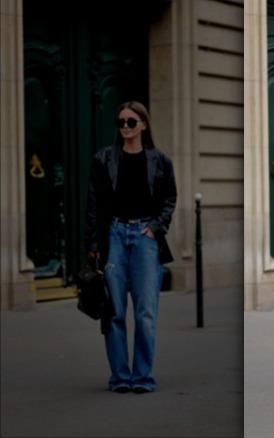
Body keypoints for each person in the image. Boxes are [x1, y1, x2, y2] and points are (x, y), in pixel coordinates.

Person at [85, 101, 177, 394]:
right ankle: (120, 377)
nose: (125, 127)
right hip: (113, 235)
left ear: (144, 125)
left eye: (131, 122)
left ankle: (143, 376)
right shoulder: (104, 159)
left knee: (145, 312)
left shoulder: (160, 161)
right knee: (113, 310)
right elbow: (93, 205)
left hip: (145, 237)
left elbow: (170, 198)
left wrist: (156, 228)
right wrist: (93, 244)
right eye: (121, 122)